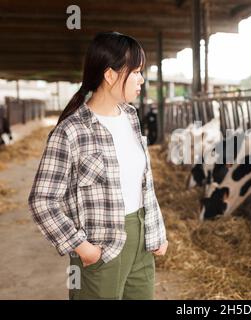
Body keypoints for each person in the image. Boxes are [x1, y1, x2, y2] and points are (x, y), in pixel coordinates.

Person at [28, 31, 168, 300]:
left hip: (141, 242)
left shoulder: (131, 117)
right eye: (136, 71)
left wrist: (156, 230)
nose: (141, 79)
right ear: (111, 75)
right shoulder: (71, 131)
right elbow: (42, 200)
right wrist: (81, 247)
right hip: (101, 248)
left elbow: (142, 183)